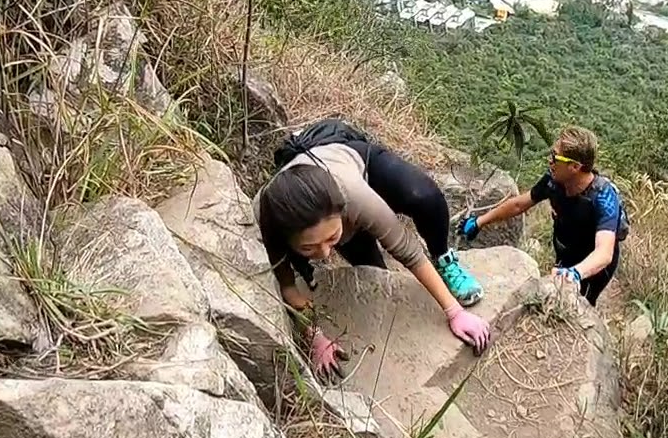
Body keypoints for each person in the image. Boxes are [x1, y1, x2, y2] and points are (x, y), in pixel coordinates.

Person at [254, 118, 490, 372]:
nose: (325, 254)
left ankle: (444, 258)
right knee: (374, 271)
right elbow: (288, 287)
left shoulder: (353, 194)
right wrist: (315, 337)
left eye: (332, 239)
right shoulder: (268, 221)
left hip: (346, 158)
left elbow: (407, 250)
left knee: (424, 197)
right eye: (308, 248)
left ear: (343, 212)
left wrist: (455, 313)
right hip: (305, 199)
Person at [457, 126, 628, 306]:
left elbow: (604, 252)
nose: (550, 161)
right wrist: (479, 222)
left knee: (580, 302)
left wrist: (576, 273)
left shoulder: (603, 197)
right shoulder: (553, 181)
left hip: (593, 267)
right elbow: (519, 204)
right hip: (566, 251)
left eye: (555, 157)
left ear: (575, 167)